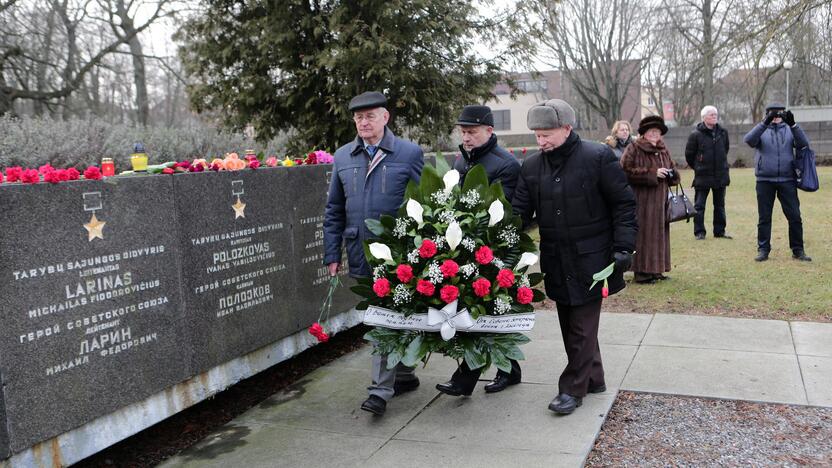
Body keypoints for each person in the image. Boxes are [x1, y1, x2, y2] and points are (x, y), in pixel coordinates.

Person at [511, 99, 637, 415]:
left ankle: (572, 389)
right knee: (571, 324)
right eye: (537, 135)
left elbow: (624, 203)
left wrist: (625, 247)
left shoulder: (598, 157)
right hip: (555, 257)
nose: (541, 142)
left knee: (582, 325)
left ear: (567, 128)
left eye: (547, 134)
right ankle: (594, 378)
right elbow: (519, 213)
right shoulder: (531, 166)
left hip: (594, 259)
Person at [323, 91, 425, 416]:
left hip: (398, 256)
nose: (363, 122)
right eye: (358, 117)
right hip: (359, 252)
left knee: (383, 320)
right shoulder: (343, 157)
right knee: (385, 317)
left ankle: (380, 392)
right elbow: (334, 209)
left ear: (385, 118)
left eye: (370, 116)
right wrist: (332, 253)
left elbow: (425, 204)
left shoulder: (408, 154)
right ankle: (405, 374)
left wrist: (422, 250)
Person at [435, 105, 523, 397]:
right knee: (479, 313)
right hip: (465, 247)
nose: (467, 137)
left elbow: (502, 211)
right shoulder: (461, 161)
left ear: (489, 131)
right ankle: (509, 370)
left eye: (472, 132)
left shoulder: (505, 164)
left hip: (492, 249)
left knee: (482, 312)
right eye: (463, 132)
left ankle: (465, 380)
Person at [743, 103, 812, 262]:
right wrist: (764, 122)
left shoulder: (789, 129)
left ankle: (798, 250)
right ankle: (763, 250)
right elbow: (749, 140)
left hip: (787, 180)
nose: (776, 117)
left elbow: (803, 144)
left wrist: (793, 125)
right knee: (764, 217)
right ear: (766, 114)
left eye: (779, 114)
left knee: (795, 216)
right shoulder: (762, 130)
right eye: (772, 114)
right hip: (764, 180)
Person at [620, 115, 681, 284]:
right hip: (642, 201)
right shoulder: (634, 148)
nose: (655, 134)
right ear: (644, 133)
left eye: (658, 132)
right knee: (644, 236)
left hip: (661, 201)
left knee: (660, 235)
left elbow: (673, 170)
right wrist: (652, 173)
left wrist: (671, 174)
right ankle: (642, 272)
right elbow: (625, 171)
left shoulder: (663, 149)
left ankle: (657, 270)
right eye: (652, 131)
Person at [685, 105, 731, 240]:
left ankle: (719, 231)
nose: (714, 116)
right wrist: (699, 167)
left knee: (720, 205)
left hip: (720, 175)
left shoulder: (723, 132)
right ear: (704, 117)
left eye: (715, 114)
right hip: (703, 176)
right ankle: (699, 232)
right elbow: (689, 155)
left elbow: (725, 149)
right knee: (699, 205)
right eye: (711, 114)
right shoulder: (695, 135)